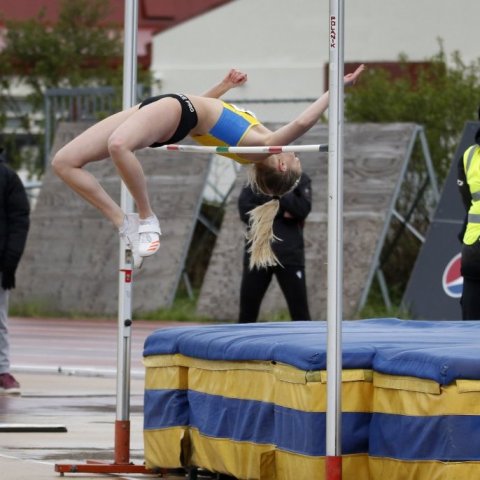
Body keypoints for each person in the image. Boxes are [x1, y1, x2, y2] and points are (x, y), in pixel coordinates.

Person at [52, 65, 365, 269]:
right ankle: (125, 223)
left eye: (295, 158)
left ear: (282, 164)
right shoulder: (252, 141)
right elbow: (207, 110)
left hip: (176, 110)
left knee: (119, 145)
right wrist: (224, 86)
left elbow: (302, 121)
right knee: (65, 162)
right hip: (170, 105)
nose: (295, 154)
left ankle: (147, 218)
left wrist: (335, 90)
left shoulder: (260, 146)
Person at [238, 171, 312, 322]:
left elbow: (302, 209)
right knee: (247, 314)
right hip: (258, 252)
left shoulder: (301, 179)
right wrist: (282, 211)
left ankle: (308, 344)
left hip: (289, 254)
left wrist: (277, 192)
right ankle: (240, 346)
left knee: (300, 314)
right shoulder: (257, 177)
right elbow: (245, 211)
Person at [0, 149, 30, 394]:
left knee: (0, 322)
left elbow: (20, 221)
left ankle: (2, 370)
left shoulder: (8, 178)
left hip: (0, 263)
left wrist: (9, 263)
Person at [457, 125, 480, 320]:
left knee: (471, 326)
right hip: (474, 253)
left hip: (474, 248)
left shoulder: (469, 155)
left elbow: (467, 200)